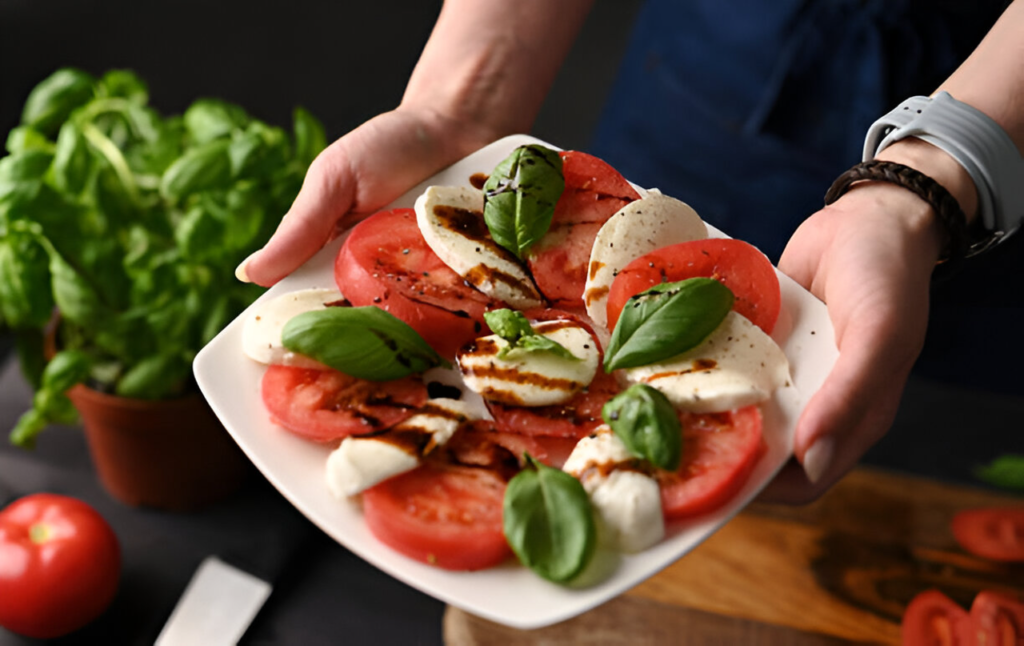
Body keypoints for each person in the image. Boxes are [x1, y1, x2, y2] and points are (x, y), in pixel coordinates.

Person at [235, 0, 1024, 503]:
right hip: (716, 71)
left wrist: (926, 183)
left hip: (1004, 143)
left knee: (942, 479)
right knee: (610, 262)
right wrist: (456, 110)